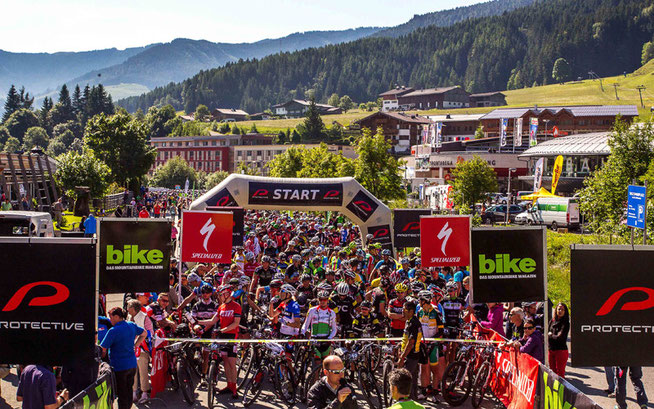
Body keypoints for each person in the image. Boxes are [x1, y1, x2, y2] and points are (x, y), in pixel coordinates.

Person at [100, 307, 147, 409]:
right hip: (131, 365)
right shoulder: (131, 325)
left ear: (117, 317)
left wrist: (102, 359)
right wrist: (136, 345)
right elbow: (144, 333)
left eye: (111, 317)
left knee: (121, 394)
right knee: (128, 390)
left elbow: (103, 348)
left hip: (119, 367)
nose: (110, 320)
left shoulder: (113, 331)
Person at [126, 300, 153, 403]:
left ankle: (144, 392)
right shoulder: (129, 317)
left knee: (143, 371)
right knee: (133, 371)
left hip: (142, 349)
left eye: (129, 307)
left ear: (133, 308)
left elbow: (150, 332)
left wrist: (139, 341)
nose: (127, 309)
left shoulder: (145, 317)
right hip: (130, 348)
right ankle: (133, 392)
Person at [398, 299, 422, 400]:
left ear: (411, 311)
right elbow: (407, 338)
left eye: (404, 310)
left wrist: (402, 357)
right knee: (413, 380)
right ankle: (414, 399)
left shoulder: (413, 323)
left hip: (411, 356)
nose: (402, 311)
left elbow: (411, 342)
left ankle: (409, 401)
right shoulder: (409, 321)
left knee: (406, 380)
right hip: (411, 355)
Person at [548, 302, 570, 377]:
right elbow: (547, 333)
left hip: (561, 351)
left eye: (562, 309)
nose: (560, 311)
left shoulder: (565, 323)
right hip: (551, 350)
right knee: (552, 372)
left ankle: (560, 389)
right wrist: (550, 335)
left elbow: (560, 337)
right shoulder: (552, 321)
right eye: (559, 309)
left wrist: (550, 335)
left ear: (565, 312)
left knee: (560, 374)